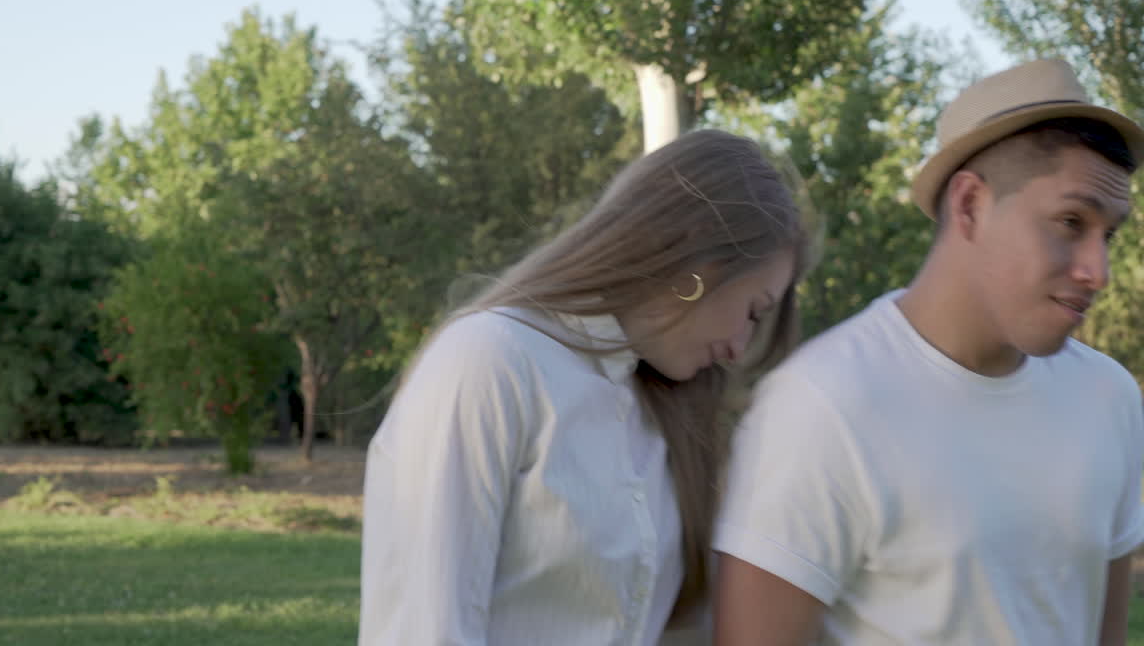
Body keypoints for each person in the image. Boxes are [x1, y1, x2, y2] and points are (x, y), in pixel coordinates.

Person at [711, 58, 1144, 645]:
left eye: (1109, 235)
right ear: (970, 205)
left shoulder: (1108, 397)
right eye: (1071, 222)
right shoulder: (823, 405)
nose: (1099, 271)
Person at [358, 129, 811, 644]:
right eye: (753, 312)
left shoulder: (662, 408)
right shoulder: (492, 361)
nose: (738, 348)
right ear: (700, 265)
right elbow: (423, 627)